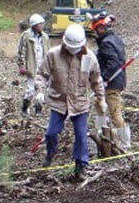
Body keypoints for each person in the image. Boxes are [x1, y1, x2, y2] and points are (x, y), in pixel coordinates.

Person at [37, 24, 107, 180]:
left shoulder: (89, 57)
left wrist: (101, 98)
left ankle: (80, 167)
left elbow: (96, 79)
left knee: (82, 136)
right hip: (59, 101)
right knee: (51, 133)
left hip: (80, 102)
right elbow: (42, 74)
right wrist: (40, 92)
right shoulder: (53, 54)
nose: (73, 50)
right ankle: (50, 154)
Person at [93, 12, 130, 149]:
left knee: (115, 114)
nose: (95, 33)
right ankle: (102, 135)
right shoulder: (115, 39)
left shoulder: (106, 43)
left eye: (97, 29)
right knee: (99, 107)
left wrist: (103, 78)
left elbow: (113, 63)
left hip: (111, 84)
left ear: (101, 28)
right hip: (115, 82)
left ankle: (125, 144)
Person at [17, 14, 50, 117]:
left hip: (42, 67)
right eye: (40, 24)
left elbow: (48, 52)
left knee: (41, 91)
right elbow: (21, 52)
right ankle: (25, 107)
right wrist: (22, 66)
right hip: (31, 66)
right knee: (30, 91)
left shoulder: (45, 37)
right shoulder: (26, 36)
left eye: (42, 24)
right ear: (34, 25)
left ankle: (38, 109)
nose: (42, 26)